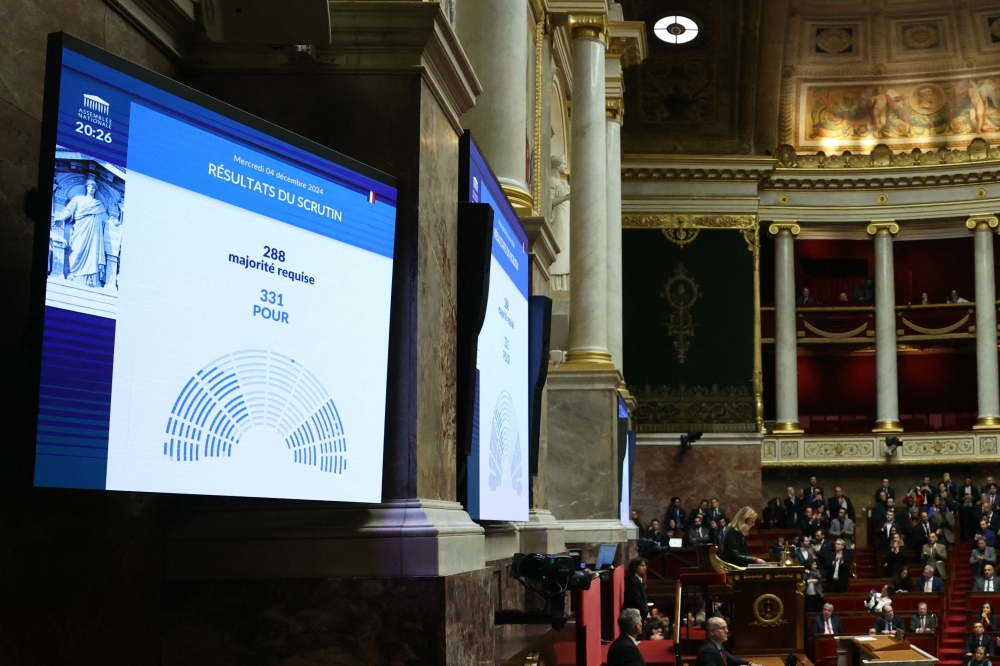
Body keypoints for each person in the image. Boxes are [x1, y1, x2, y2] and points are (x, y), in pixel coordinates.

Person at [696, 618, 761, 666]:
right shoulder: (708, 650)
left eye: (726, 628)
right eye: (722, 628)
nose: (726, 631)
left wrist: (750, 664)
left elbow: (732, 659)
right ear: (712, 632)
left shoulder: (717, 645)